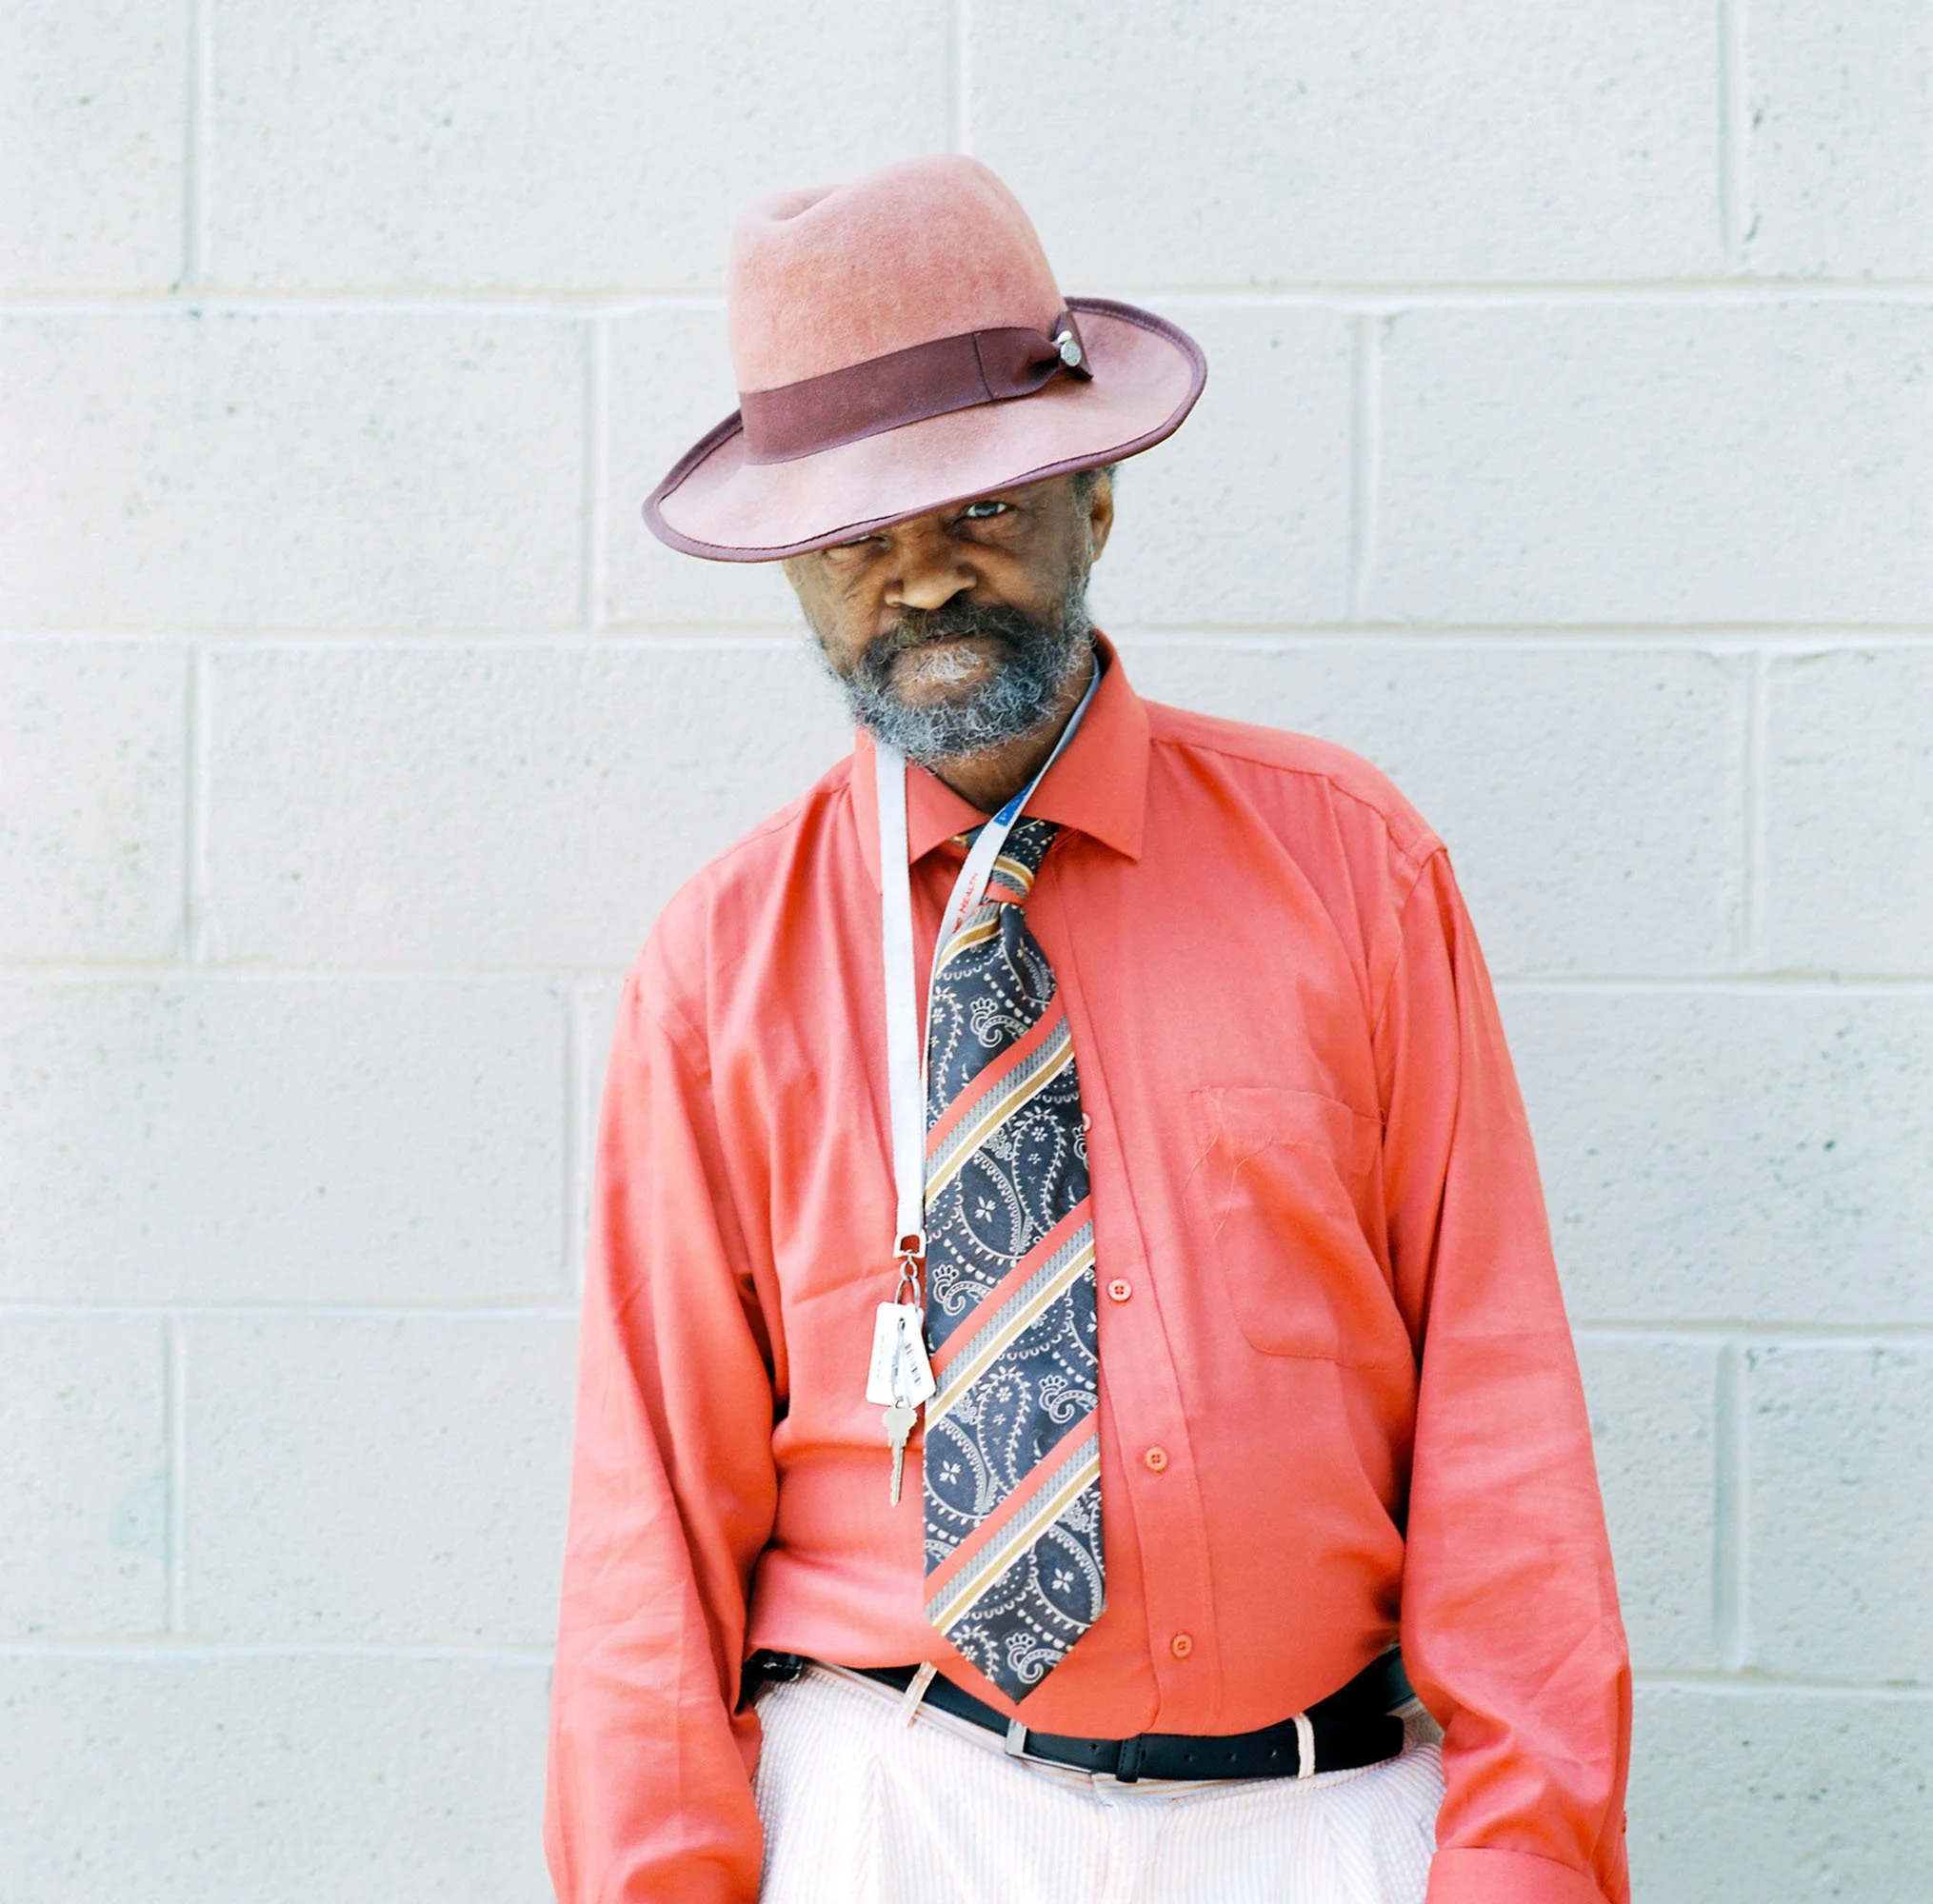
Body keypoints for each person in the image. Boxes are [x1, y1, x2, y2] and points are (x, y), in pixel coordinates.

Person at [544, 154, 1631, 1904]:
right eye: (853, 537)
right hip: (893, 1810)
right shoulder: (718, 969)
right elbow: (644, 1539)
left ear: (1093, 498)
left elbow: (1504, 1429)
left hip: (1314, 1821)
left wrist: (1522, 1867)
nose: (918, 580)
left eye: (974, 507)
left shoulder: (1354, 870)